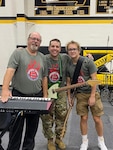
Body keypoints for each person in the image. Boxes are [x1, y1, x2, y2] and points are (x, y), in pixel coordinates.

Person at [0, 32, 48, 150]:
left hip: (36, 98)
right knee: (16, 130)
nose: (35, 41)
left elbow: (44, 77)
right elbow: (10, 70)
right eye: (33, 38)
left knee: (31, 132)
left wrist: (45, 96)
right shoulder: (18, 53)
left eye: (38, 40)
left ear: (40, 43)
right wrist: (5, 89)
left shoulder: (42, 57)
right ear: (28, 40)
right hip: (19, 96)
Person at [66, 40, 108, 150]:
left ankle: (101, 141)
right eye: (70, 49)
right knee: (83, 118)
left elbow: (94, 79)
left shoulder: (88, 62)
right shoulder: (68, 65)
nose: (72, 51)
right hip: (80, 94)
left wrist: (93, 96)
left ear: (79, 50)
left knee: (97, 119)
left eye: (74, 49)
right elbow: (69, 83)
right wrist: (69, 98)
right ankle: (85, 142)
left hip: (93, 92)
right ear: (67, 51)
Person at [41, 39, 70, 150]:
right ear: (49, 48)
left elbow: (77, 57)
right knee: (47, 116)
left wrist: (88, 57)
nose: (55, 49)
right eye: (52, 46)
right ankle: (50, 140)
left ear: (60, 48)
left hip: (61, 91)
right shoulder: (43, 58)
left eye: (57, 46)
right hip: (47, 90)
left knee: (62, 115)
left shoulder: (65, 58)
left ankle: (59, 138)